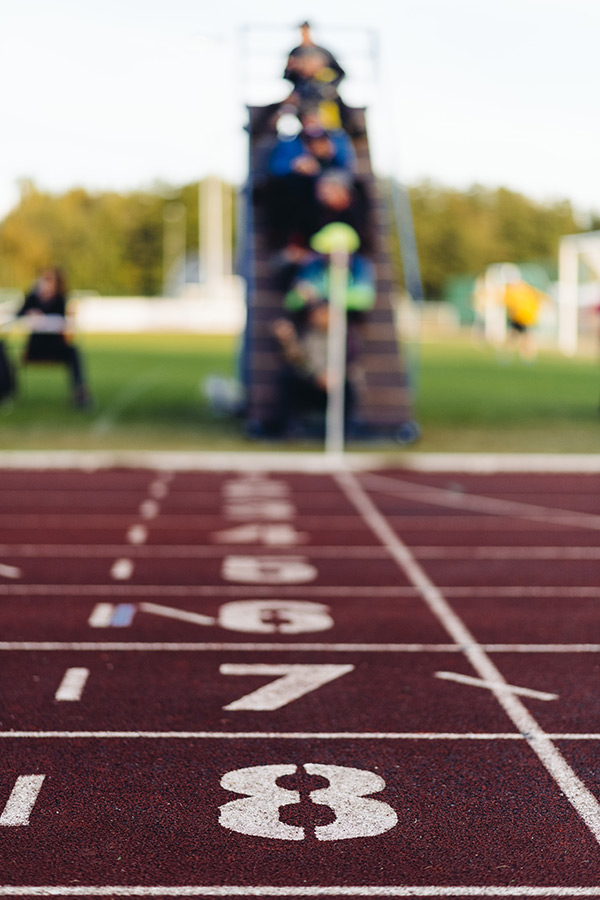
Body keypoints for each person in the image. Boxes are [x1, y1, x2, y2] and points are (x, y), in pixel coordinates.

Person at [266, 296, 363, 438]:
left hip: (336, 386)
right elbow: (298, 360)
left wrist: (334, 376)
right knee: (287, 378)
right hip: (311, 383)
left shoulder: (346, 336)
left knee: (348, 388)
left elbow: (352, 362)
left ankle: (345, 429)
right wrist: (288, 340)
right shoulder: (307, 333)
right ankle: (290, 427)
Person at [17, 267, 92, 407]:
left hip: (55, 347)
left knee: (74, 351)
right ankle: (7, 394)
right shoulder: (32, 298)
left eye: (49, 279)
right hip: (36, 348)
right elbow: (19, 314)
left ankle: (81, 394)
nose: (45, 283)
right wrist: (30, 313)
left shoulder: (60, 300)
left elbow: (64, 324)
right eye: (44, 278)